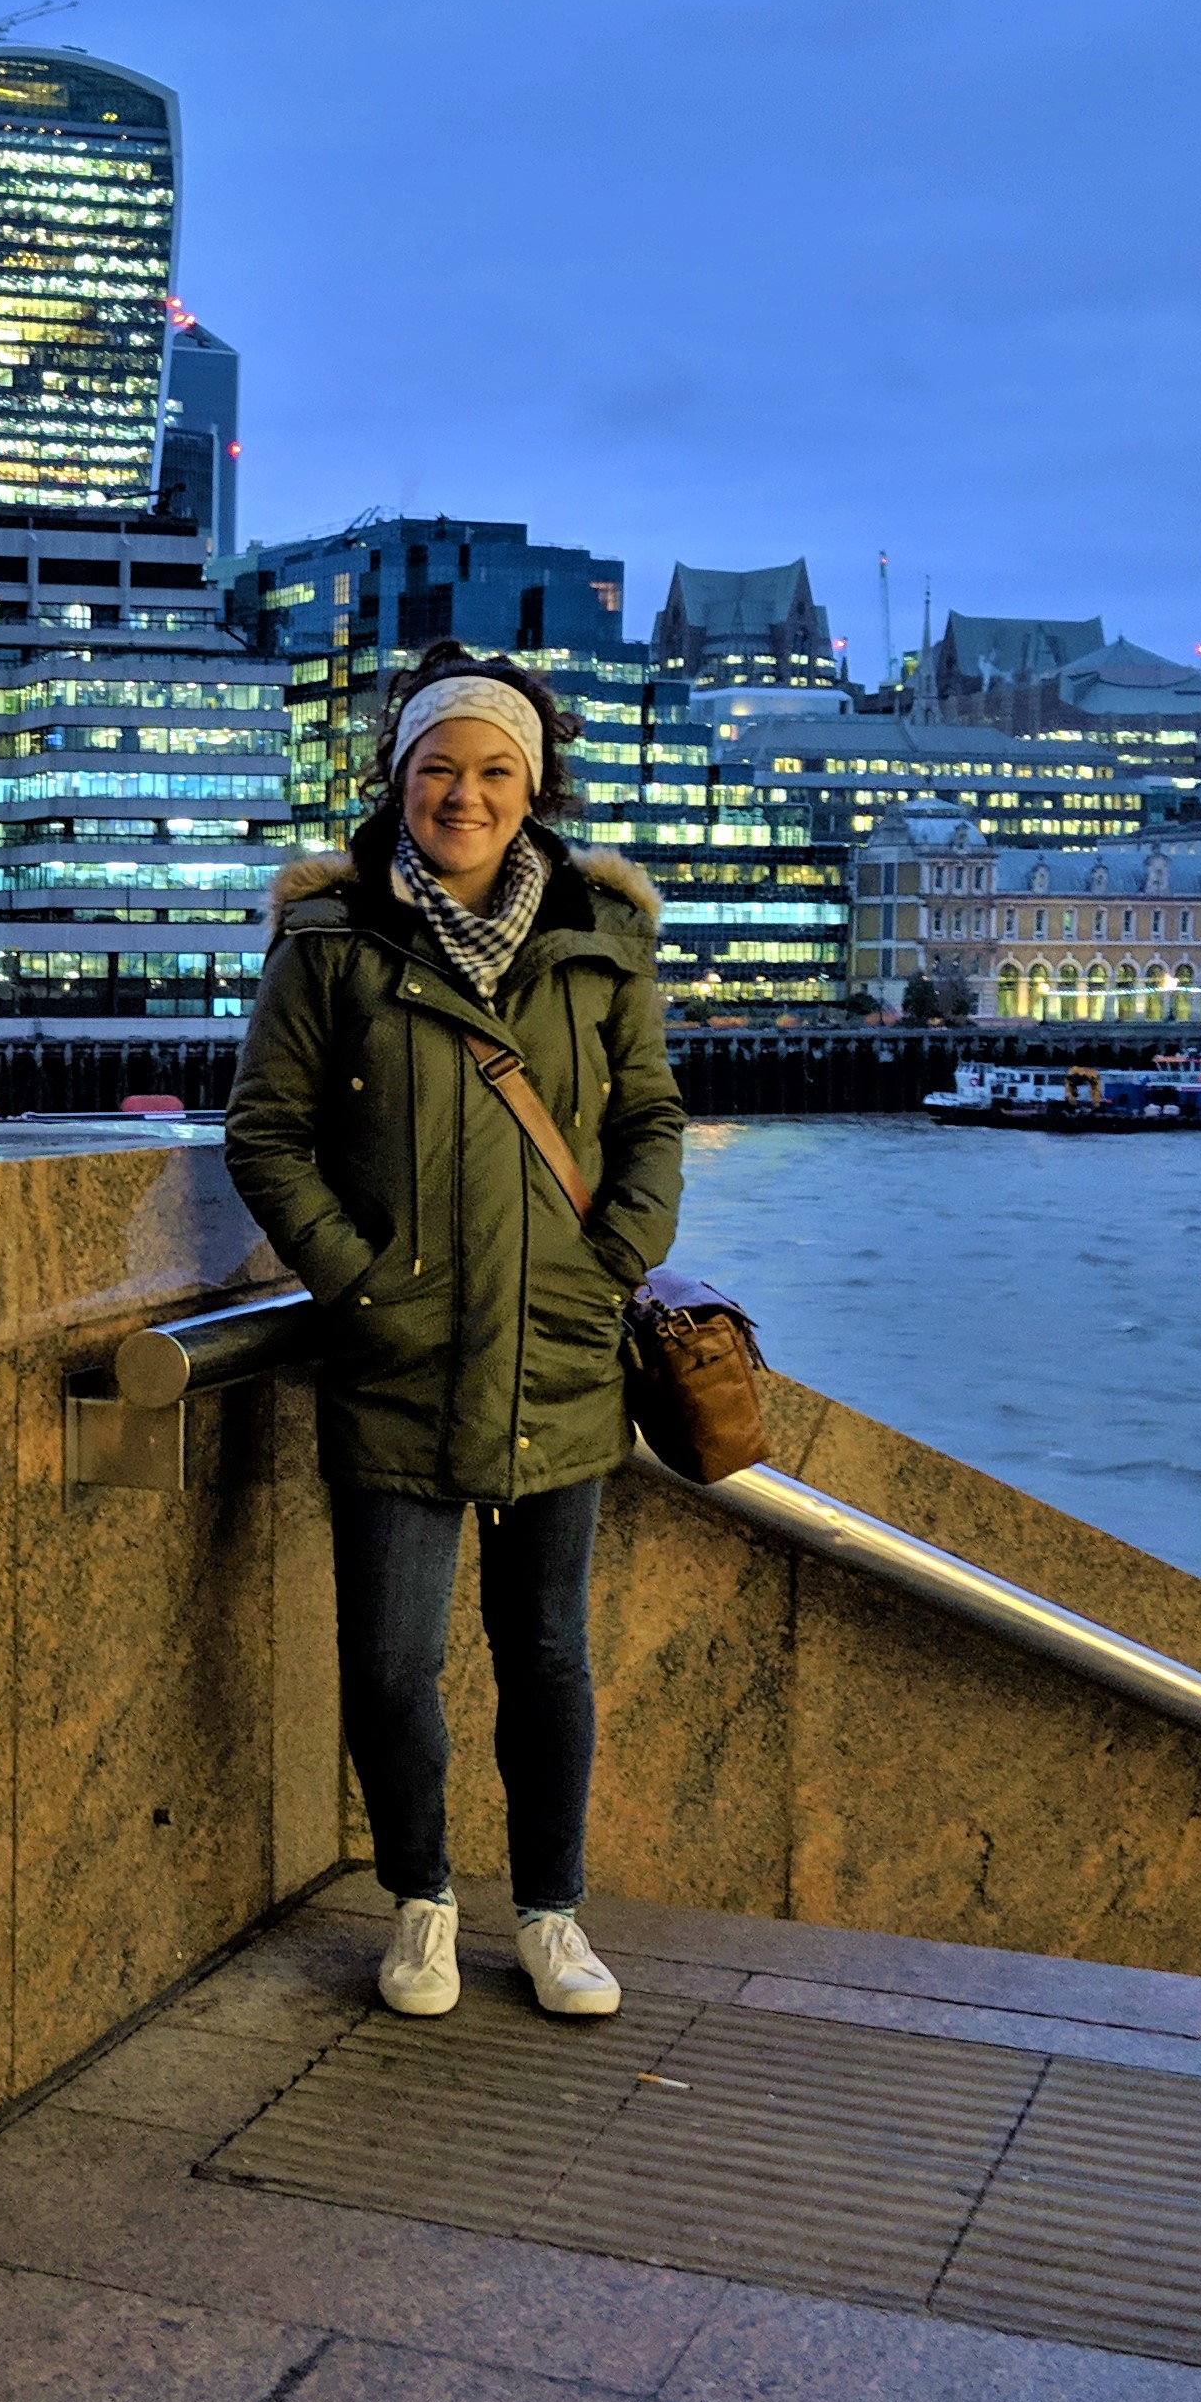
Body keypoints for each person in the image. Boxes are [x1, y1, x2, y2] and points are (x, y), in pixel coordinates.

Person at [223, 645, 685, 2019]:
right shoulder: (328, 942)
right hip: (398, 1359)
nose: (464, 795)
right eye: (439, 769)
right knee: (390, 1663)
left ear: (533, 788)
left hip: (561, 1354)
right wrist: (361, 1285)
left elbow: (650, 1119)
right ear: (399, 780)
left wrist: (613, 1263)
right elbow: (267, 1133)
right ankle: (420, 1903)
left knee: (549, 1656)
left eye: (493, 771)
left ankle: (552, 1915)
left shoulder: (602, 941)